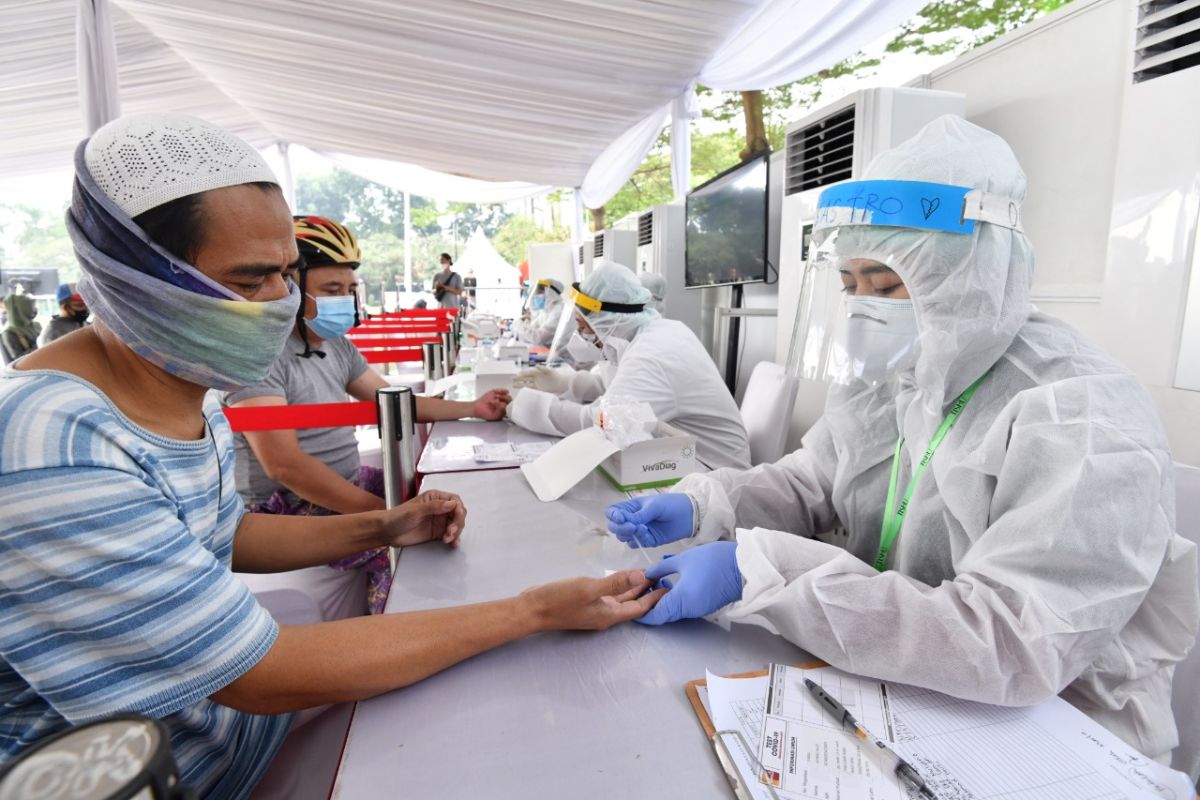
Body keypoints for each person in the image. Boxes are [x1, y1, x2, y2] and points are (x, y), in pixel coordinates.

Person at [0, 112, 663, 797]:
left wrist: (381, 525)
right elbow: (260, 672)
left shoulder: (184, 386)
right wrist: (531, 613)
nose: (282, 303)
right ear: (133, 277)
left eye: (289, 275)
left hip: (239, 741)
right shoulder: (53, 442)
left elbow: (224, 533)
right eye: (250, 281)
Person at [604, 116, 1199, 762]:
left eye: (887, 285)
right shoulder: (901, 379)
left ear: (971, 272)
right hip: (918, 698)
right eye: (850, 284)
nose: (865, 308)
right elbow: (812, 481)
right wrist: (705, 502)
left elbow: (1010, 645)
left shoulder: (1080, 414)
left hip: (1066, 744)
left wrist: (761, 571)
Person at [223, 215, 511, 617]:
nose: (345, 300)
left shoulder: (335, 346)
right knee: (414, 565)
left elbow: (394, 400)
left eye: (349, 289)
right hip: (288, 510)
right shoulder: (258, 358)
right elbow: (285, 465)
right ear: (290, 286)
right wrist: (382, 515)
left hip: (344, 485)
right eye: (331, 289)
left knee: (437, 505)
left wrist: (472, 409)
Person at [507, 261, 751, 470]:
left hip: (713, 476)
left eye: (583, 327)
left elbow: (603, 422)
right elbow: (608, 383)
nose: (581, 335)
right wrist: (564, 381)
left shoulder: (653, 354)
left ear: (609, 322)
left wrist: (527, 408)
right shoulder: (652, 332)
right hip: (680, 460)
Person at [514, 278, 564, 347]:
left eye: (539, 293)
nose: (536, 297)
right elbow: (532, 329)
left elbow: (537, 338)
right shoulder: (545, 311)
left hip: (558, 354)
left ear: (550, 293)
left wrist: (519, 323)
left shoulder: (558, 312)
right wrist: (523, 325)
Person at [1, 292, 40, 364]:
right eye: (28, 307)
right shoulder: (9, 333)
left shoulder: (36, 325)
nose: (33, 310)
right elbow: (19, 361)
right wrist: (41, 345)